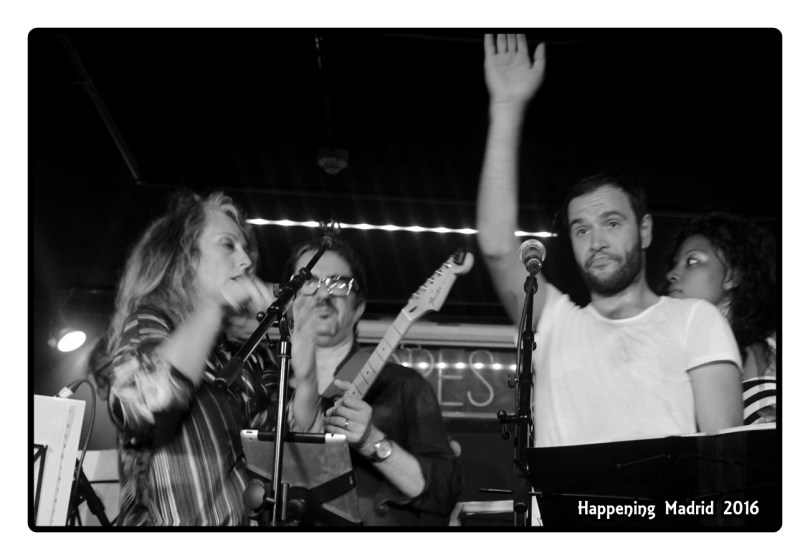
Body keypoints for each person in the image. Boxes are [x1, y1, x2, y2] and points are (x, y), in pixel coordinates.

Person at [476, 33, 744, 449]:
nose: (596, 241)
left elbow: (724, 463)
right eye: (581, 229)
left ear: (645, 230)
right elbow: (496, 246)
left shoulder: (694, 320)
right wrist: (507, 107)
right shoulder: (553, 323)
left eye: (612, 223)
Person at [93, 191, 280, 526]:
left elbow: (279, 451)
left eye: (245, 249)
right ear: (186, 257)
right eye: (228, 245)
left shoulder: (239, 355)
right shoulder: (150, 321)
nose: (246, 260)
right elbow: (146, 398)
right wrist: (215, 305)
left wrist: (306, 361)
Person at [284, 238, 462, 526]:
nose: (323, 293)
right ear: (288, 302)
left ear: (358, 307)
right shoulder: (264, 383)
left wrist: (371, 440)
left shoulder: (404, 386)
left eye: (338, 283)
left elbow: (444, 492)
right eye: (308, 281)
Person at [666, 212, 777, 425]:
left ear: (732, 276)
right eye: (674, 263)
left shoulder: (760, 357)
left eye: (692, 261)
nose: (672, 274)